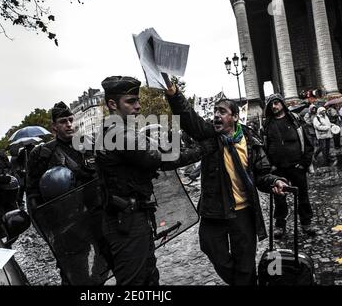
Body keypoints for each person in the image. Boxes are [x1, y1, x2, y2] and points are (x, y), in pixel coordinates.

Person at [164, 85, 288, 285]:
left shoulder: (251, 140)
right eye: (214, 112)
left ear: (236, 117)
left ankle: (245, 281)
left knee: (246, 260)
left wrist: (275, 181)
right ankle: (243, 282)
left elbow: (262, 174)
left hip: (243, 211)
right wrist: (173, 94)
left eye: (222, 111)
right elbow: (189, 119)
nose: (216, 116)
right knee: (211, 247)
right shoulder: (210, 135)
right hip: (215, 210)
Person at [96, 75, 212, 286]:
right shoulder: (117, 132)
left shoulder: (123, 131)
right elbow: (159, 157)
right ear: (112, 104)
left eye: (137, 100)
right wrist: (201, 150)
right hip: (125, 223)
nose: (138, 106)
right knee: (135, 284)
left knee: (149, 277)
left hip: (135, 217)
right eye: (130, 101)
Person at [27, 102, 105, 285]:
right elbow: (33, 195)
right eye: (63, 121)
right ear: (53, 126)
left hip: (96, 214)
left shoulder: (89, 144)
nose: (69, 124)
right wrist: (49, 230)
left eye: (71, 120)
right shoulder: (42, 154)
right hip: (68, 224)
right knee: (75, 273)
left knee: (105, 261)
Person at [262, 94, 315, 238]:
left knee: (303, 196)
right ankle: (280, 225)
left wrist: (304, 163)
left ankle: (306, 223)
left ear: (282, 104)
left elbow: (309, 143)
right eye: (271, 104)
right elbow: (264, 148)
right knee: (279, 197)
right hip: (278, 168)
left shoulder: (295, 120)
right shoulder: (267, 125)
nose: (274, 106)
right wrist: (270, 167)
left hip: (297, 166)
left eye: (277, 103)